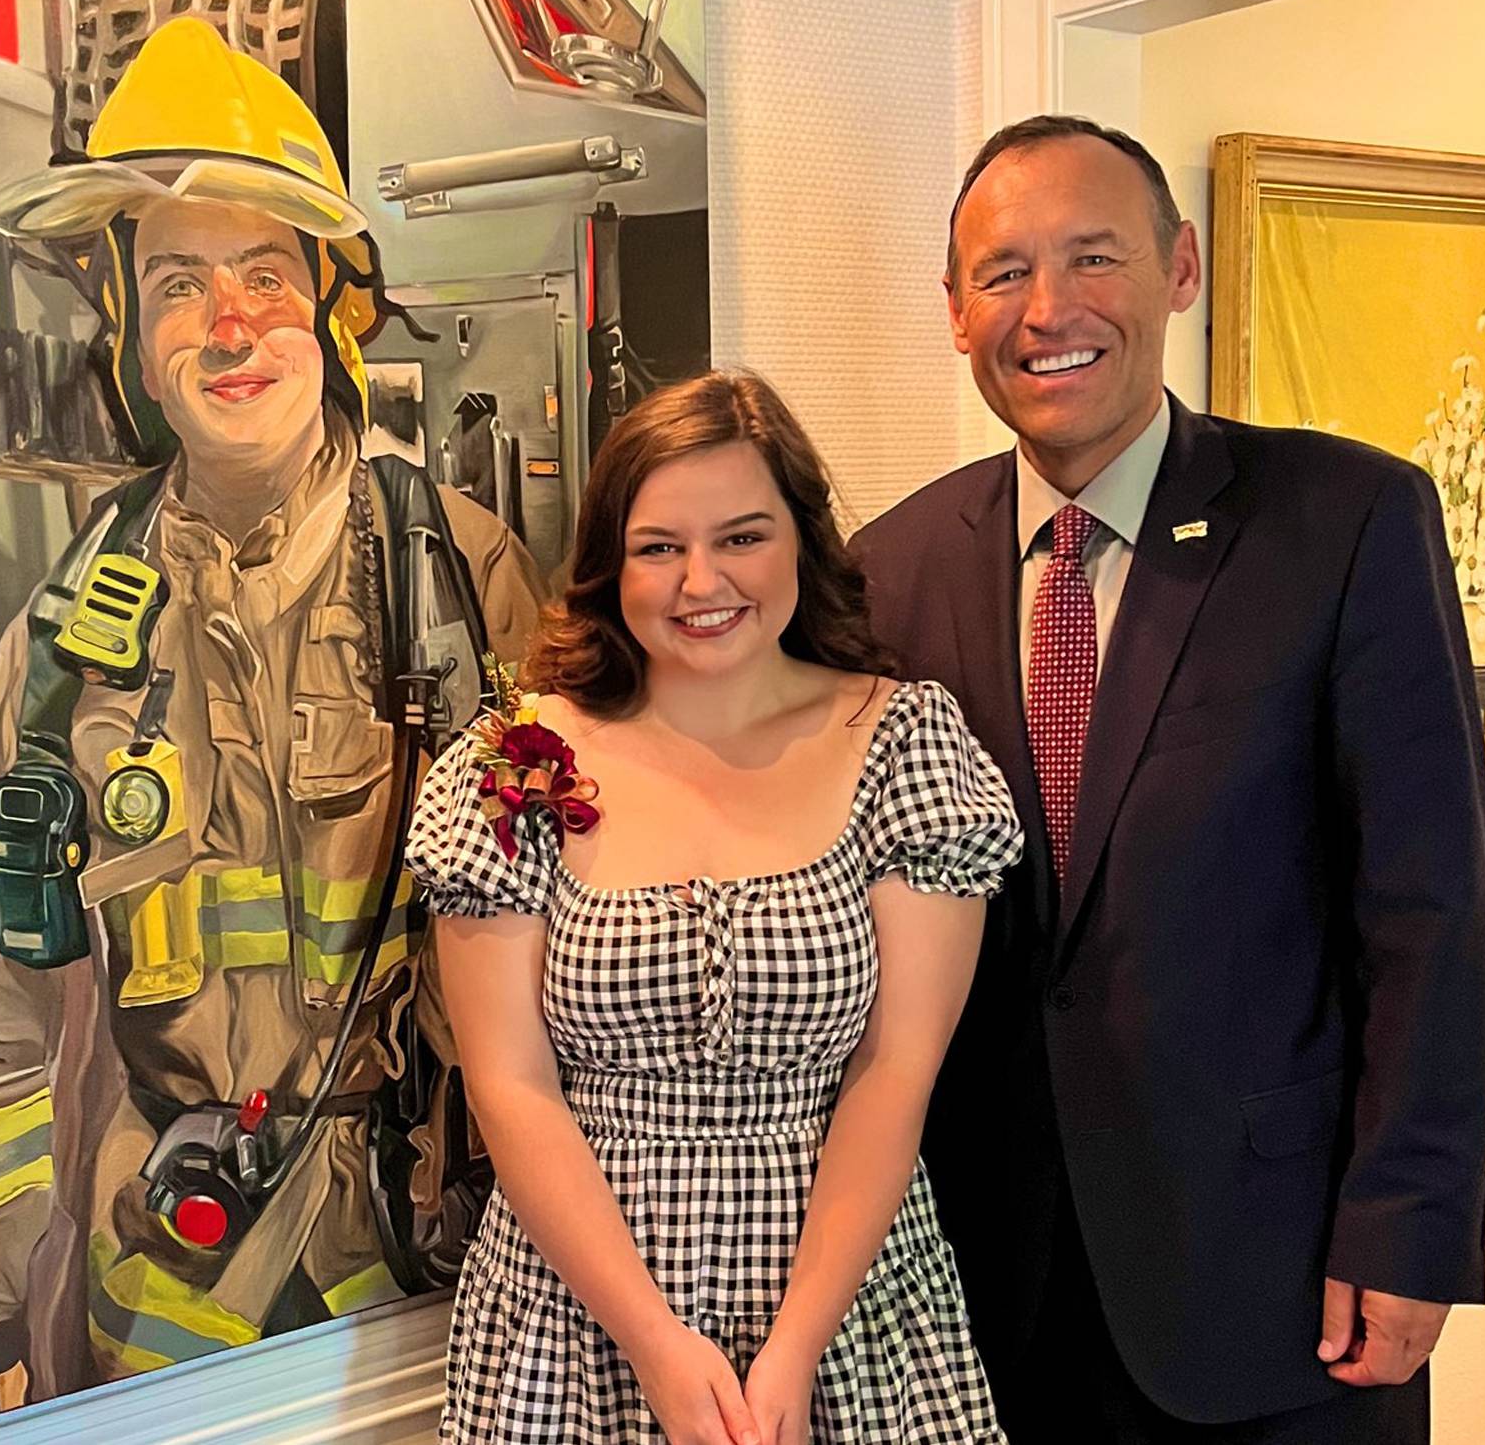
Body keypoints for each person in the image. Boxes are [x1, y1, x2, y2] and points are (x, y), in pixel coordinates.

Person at [0, 20, 544, 1426]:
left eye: (264, 274)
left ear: (335, 306)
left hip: (442, 1267)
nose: (231, 325)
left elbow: (588, 925)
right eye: (179, 284)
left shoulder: (466, 578)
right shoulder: (66, 638)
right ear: (129, 325)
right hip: (164, 1284)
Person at [855, 114, 1485, 1441]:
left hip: (1283, 1283)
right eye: (1002, 274)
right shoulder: (891, 568)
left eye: (1094, 259)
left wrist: (1413, 1222)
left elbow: (1433, 908)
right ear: (954, 308)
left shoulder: (1347, 522)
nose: (1047, 313)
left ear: (1180, 268)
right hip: (990, 1293)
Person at [408, 370, 1024, 1444]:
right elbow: (510, 1088)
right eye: (658, 546)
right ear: (610, 561)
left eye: (742, 536)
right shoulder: (513, 760)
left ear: (800, 539)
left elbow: (895, 1070)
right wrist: (653, 1339)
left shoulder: (902, 742)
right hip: (577, 1311)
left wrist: (792, 1346)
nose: (702, 581)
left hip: (843, 1303)